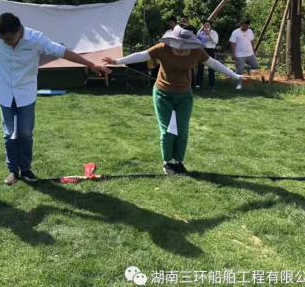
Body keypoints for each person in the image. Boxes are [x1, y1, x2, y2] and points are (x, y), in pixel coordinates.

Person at [0, 13, 111, 186]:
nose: (6, 42)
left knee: (25, 132)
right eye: (3, 39)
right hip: (3, 92)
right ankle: (12, 170)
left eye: (9, 39)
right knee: (9, 133)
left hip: (26, 94)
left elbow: (62, 52)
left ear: (19, 31)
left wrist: (90, 64)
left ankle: (25, 169)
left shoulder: (36, 39)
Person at [104, 25, 244, 176]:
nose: (182, 49)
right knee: (168, 130)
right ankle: (168, 163)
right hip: (163, 94)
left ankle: (178, 162)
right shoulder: (163, 48)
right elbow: (142, 55)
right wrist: (117, 61)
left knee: (182, 130)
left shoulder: (197, 51)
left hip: (184, 95)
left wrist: (235, 76)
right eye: (180, 45)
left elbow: (213, 63)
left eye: (186, 45)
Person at [230, 19, 260, 90]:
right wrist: (233, 54)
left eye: (247, 27)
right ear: (240, 25)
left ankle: (246, 67)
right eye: (244, 27)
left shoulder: (250, 31)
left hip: (249, 53)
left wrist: (253, 50)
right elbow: (233, 43)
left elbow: (252, 41)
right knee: (239, 71)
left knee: (256, 66)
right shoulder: (235, 32)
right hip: (239, 54)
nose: (245, 28)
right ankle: (239, 85)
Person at [196, 21, 219, 89]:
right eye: (205, 25)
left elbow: (216, 42)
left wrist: (209, 34)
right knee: (200, 67)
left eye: (208, 25)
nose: (206, 26)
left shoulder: (214, 33)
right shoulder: (200, 33)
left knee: (211, 67)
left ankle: (212, 83)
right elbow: (197, 41)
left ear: (211, 26)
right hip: (203, 50)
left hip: (211, 50)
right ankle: (198, 83)